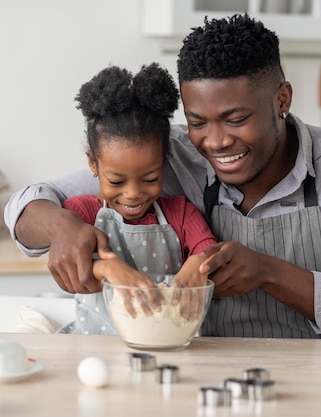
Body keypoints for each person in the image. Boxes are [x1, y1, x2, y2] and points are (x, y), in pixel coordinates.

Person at [5, 14, 321, 339]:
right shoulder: (169, 157)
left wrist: (268, 273)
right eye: (198, 121)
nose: (215, 142)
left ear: (282, 99)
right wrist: (60, 227)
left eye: (236, 119)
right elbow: (28, 204)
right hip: (196, 374)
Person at [55, 63, 217, 334]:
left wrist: (196, 266)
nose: (133, 193)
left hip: (166, 342)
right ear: (93, 165)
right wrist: (109, 269)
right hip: (96, 345)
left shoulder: (180, 213)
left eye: (150, 179)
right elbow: (71, 260)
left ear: (164, 163)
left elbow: (208, 249)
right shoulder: (82, 212)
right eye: (116, 181)